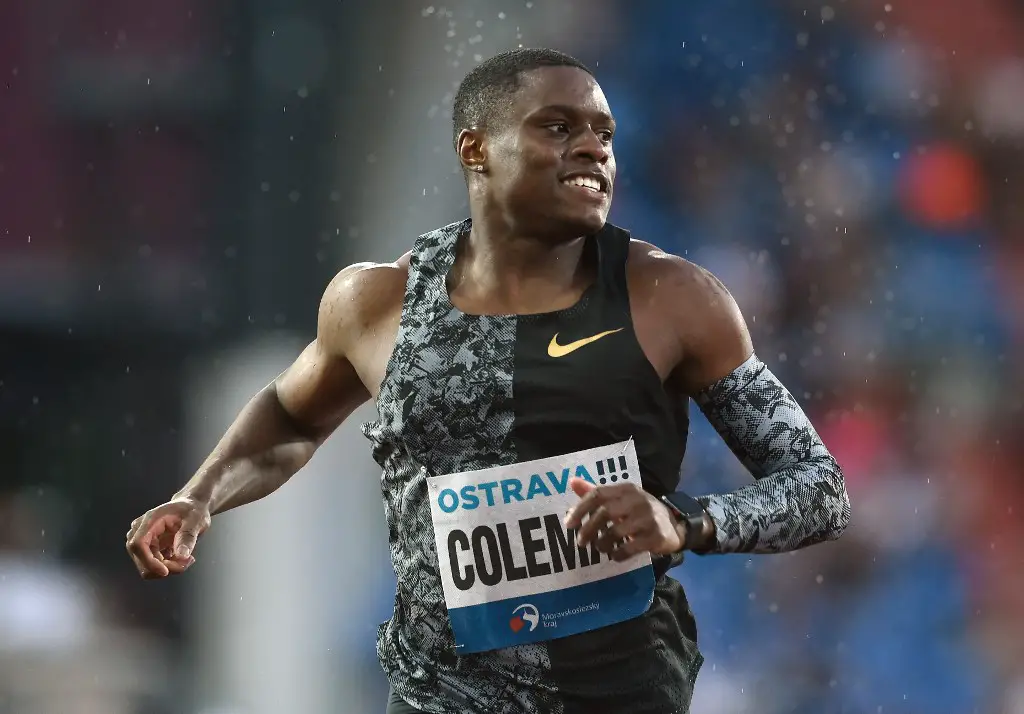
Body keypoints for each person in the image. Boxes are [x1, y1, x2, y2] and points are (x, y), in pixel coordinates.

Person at [126, 47, 851, 714]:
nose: (594, 147)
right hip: (436, 693)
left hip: (616, 692)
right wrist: (200, 497)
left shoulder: (673, 298)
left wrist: (687, 521)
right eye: (558, 127)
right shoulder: (375, 303)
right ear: (476, 149)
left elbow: (820, 485)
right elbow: (289, 421)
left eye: (605, 133)